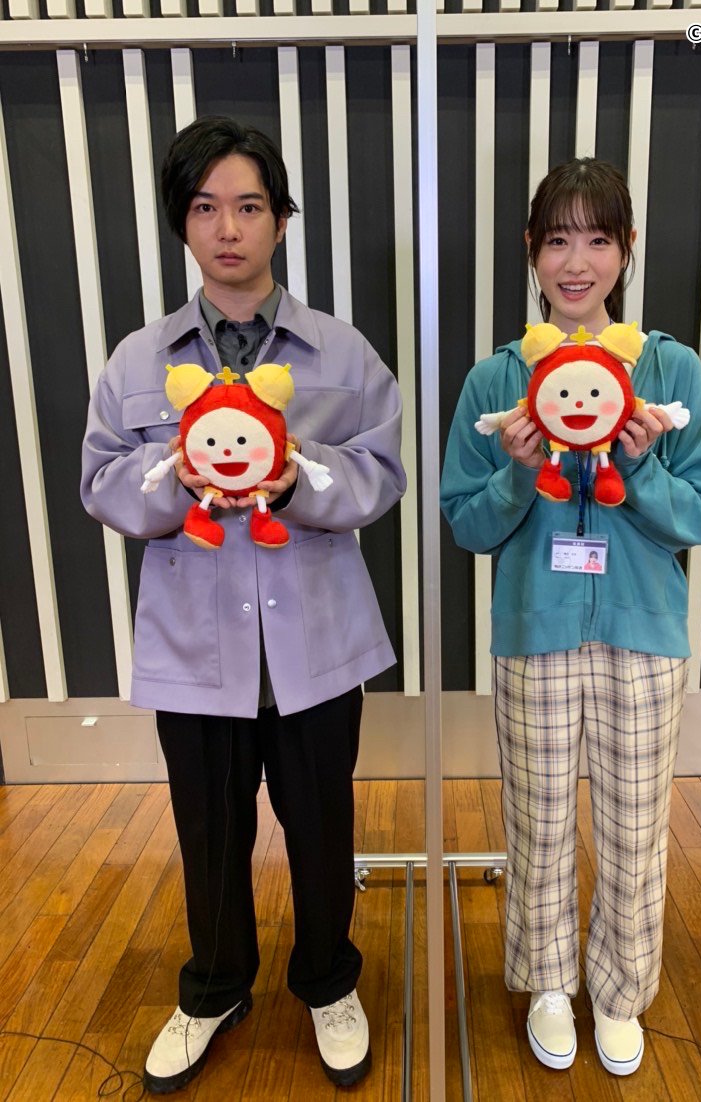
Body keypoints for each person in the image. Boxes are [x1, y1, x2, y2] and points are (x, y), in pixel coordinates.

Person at [81, 115, 405, 1094]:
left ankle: (328, 981)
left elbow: (381, 473)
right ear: (182, 223)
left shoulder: (341, 352)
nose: (229, 228)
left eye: (250, 206)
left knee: (322, 825)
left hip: (317, 642)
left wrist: (296, 477)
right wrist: (171, 477)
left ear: (282, 219)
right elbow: (101, 482)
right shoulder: (138, 361)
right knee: (208, 832)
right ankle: (216, 985)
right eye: (206, 207)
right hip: (194, 648)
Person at [441, 158, 701, 1077]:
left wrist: (639, 466)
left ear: (626, 250)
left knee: (637, 831)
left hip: (644, 635)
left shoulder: (669, 370)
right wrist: (517, 471)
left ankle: (619, 991)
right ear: (531, 249)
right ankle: (549, 983)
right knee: (538, 823)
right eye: (558, 239)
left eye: (598, 239)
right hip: (536, 630)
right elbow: (465, 523)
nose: (577, 262)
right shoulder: (497, 379)